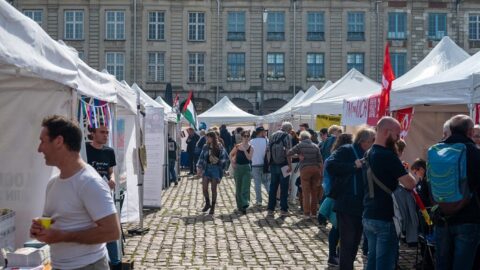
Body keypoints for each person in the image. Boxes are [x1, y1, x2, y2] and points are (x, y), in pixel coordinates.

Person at [31, 115, 120, 270]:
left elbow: (112, 232)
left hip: (88, 266)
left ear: (59, 141)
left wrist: (63, 236)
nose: (39, 149)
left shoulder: (89, 182)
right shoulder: (53, 184)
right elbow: (56, 221)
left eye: (43, 141)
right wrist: (40, 228)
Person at [362, 117, 418, 270]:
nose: (399, 138)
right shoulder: (388, 155)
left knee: (372, 260)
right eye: (397, 134)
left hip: (368, 213)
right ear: (387, 132)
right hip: (385, 216)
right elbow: (410, 183)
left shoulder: (368, 152)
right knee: (385, 263)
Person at [432, 115, 480, 270]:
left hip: (441, 217)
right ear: (471, 131)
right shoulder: (474, 152)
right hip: (468, 218)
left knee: (442, 264)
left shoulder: (436, 151)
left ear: (450, 130)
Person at [326, 128, 376, 270]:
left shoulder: (370, 153)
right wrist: (354, 165)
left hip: (362, 203)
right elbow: (330, 165)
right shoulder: (346, 150)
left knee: (355, 241)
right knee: (347, 240)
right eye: (373, 140)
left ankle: (348, 265)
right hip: (346, 202)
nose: (374, 143)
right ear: (364, 141)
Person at [85, 124, 121, 269]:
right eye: (102, 132)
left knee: (110, 230)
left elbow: (110, 170)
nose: (106, 135)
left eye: (107, 132)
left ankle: (116, 263)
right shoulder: (85, 149)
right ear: (93, 133)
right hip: (88, 198)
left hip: (105, 196)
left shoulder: (109, 151)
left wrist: (112, 178)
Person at [320, 133, 353, 266]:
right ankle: (333, 255)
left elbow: (326, 180)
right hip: (338, 196)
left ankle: (337, 254)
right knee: (337, 228)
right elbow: (328, 180)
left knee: (339, 227)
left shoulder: (331, 157)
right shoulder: (338, 159)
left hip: (335, 195)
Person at [287, 131, 323, 219]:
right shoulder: (315, 146)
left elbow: (289, 153)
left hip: (305, 169)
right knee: (314, 192)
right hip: (315, 169)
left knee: (306, 192)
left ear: (301, 138)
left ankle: (307, 213)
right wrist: (320, 172)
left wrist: (298, 155)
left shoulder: (300, 145)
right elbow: (320, 160)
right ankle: (314, 213)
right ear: (309, 138)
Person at [196, 131, 229, 215]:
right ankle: (207, 203)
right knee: (204, 187)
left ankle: (213, 207)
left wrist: (219, 162)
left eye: (208, 137)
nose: (207, 138)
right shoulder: (205, 146)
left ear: (212, 138)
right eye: (207, 137)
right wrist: (199, 168)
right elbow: (201, 157)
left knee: (213, 188)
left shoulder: (219, 146)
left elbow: (225, 157)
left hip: (215, 169)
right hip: (207, 168)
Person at [267, 122, 293, 218]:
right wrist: (290, 165)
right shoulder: (287, 136)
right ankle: (283, 209)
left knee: (273, 187)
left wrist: (269, 163)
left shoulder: (273, 135)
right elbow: (288, 151)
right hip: (284, 164)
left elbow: (268, 150)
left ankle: (270, 209)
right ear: (289, 129)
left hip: (273, 164)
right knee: (284, 187)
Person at [230, 130, 254, 214]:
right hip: (238, 168)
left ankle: (245, 204)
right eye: (245, 136)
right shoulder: (237, 146)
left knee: (245, 187)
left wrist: (244, 150)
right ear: (242, 137)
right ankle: (240, 205)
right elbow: (231, 154)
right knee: (238, 188)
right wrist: (232, 163)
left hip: (246, 168)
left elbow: (249, 158)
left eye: (248, 136)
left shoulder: (251, 147)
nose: (246, 138)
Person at [250, 126, 270, 207]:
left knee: (257, 183)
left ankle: (259, 201)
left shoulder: (251, 141)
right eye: (264, 132)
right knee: (267, 183)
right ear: (261, 132)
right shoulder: (266, 141)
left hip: (254, 164)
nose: (265, 133)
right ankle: (272, 199)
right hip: (264, 164)